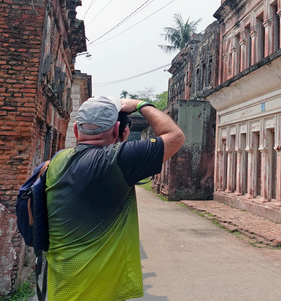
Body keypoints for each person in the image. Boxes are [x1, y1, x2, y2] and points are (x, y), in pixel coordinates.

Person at [45, 96, 185, 301]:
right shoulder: (116, 161)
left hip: (61, 285)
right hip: (99, 290)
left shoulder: (56, 162)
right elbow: (176, 136)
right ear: (118, 130)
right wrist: (140, 105)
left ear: (76, 130)